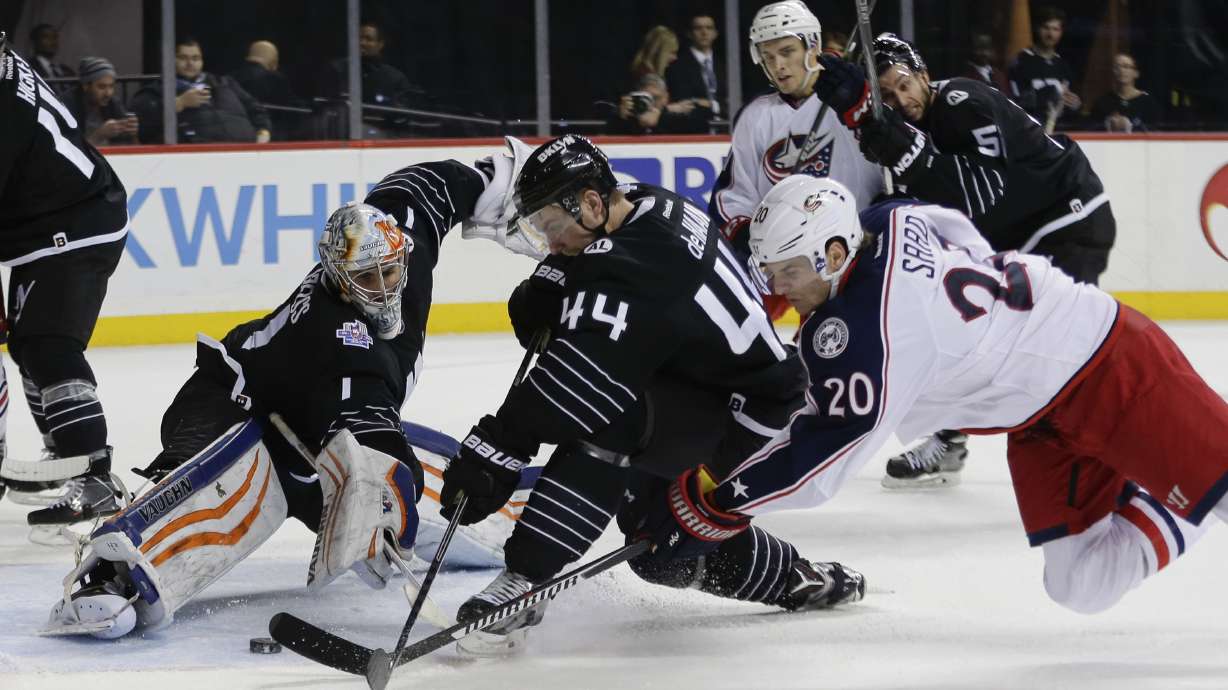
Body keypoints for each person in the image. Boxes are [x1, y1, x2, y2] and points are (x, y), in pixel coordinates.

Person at [642, 174, 1228, 618]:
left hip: (1110, 366)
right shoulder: (888, 217)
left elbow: (822, 462)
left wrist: (717, 506)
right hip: (1039, 414)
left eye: (788, 272)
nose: (778, 287)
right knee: (1080, 585)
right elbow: (954, 228)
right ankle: (1184, 501)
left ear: (835, 255)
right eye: (770, 272)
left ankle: (1198, 487)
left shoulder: (869, 333)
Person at [39, 141, 547, 638]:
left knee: (465, 487)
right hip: (236, 408)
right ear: (337, 276)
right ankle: (109, 575)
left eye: (389, 271)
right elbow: (373, 430)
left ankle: (541, 516)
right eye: (365, 277)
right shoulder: (342, 338)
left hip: (320, 430)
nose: (383, 286)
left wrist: (496, 182)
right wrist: (394, 492)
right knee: (213, 492)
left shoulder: (402, 238)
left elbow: (420, 188)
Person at [438, 135, 865, 656]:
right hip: (705, 385)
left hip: (748, 415)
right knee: (657, 551)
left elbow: (574, 389)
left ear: (591, 204)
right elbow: (586, 272)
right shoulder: (638, 203)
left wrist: (494, 454)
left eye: (552, 227)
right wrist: (556, 278)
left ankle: (523, 583)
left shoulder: (637, 264)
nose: (550, 242)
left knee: (611, 426)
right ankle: (798, 576)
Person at [812, 33, 1117, 487]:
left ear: (922, 74)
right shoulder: (916, 128)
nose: (901, 99)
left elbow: (982, 194)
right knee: (973, 337)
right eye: (889, 95)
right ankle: (951, 441)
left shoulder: (960, 102)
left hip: (1068, 221)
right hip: (1024, 238)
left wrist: (904, 150)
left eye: (904, 84)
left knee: (1061, 351)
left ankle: (1109, 452)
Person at [0, 33, 130, 534]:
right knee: (29, 346)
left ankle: (94, 477)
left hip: (75, 223)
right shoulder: (7, 64)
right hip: (58, 218)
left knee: (49, 346)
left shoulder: (3, 112)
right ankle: (63, 450)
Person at [709, 1, 883, 322]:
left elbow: (890, 161)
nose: (778, 65)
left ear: (812, 45)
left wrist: (861, 106)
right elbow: (733, 199)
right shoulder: (757, 117)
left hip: (856, 256)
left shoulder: (852, 93)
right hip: (796, 268)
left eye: (787, 51)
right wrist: (752, 243)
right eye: (768, 56)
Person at [130, 38, 271, 144]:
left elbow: (256, 110)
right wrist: (178, 104)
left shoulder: (224, 82)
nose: (190, 63)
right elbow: (143, 129)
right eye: (183, 58)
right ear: (169, 60)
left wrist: (263, 131)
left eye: (195, 58)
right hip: (197, 160)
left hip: (247, 153)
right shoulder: (154, 92)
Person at [323, 21, 418, 138]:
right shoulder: (337, 70)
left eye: (368, 39)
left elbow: (402, 119)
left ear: (380, 44)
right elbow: (325, 108)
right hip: (338, 136)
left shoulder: (395, 78)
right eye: (359, 38)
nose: (361, 43)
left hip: (380, 141)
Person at [1007, 7, 1082, 131]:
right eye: (1046, 28)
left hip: (1059, 132)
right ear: (1038, 28)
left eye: (1055, 29)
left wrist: (1074, 104)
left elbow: (1068, 104)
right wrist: (1052, 94)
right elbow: (1015, 103)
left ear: (1061, 32)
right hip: (1029, 132)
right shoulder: (1020, 62)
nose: (1050, 34)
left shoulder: (1063, 66)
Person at [230, 40, 306, 141]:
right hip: (271, 135)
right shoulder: (274, 79)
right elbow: (293, 107)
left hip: (239, 134)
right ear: (273, 60)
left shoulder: (230, 78)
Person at [665, 14, 724, 128]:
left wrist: (712, 105)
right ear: (689, 34)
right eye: (698, 28)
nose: (704, 32)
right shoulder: (677, 66)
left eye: (709, 28)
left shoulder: (726, 65)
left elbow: (734, 101)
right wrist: (718, 106)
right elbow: (685, 103)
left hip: (727, 129)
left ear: (715, 33)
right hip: (693, 130)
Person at [66, 57, 138, 147]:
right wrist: (99, 136)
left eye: (111, 86)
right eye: (102, 87)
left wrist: (131, 133)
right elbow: (69, 152)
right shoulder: (67, 105)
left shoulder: (112, 103)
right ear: (85, 86)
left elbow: (133, 147)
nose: (108, 93)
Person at [609, 73, 711, 135]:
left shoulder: (676, 115)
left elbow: (702, 124)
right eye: (646, 98)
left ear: (666, 97)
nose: (651, 104)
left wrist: (662, 115)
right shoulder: (627, 118)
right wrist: (620, 115)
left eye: (656, 98)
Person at [1088, 53, 1161, 133]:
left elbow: (1156, 132)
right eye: (1117, 67)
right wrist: (1108, 125)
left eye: (1126, 66)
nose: (1121, 70)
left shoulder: (1148, 102)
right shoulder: (1102, 102)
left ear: (1136, 73)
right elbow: (1092, 131)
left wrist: (1130, 127)